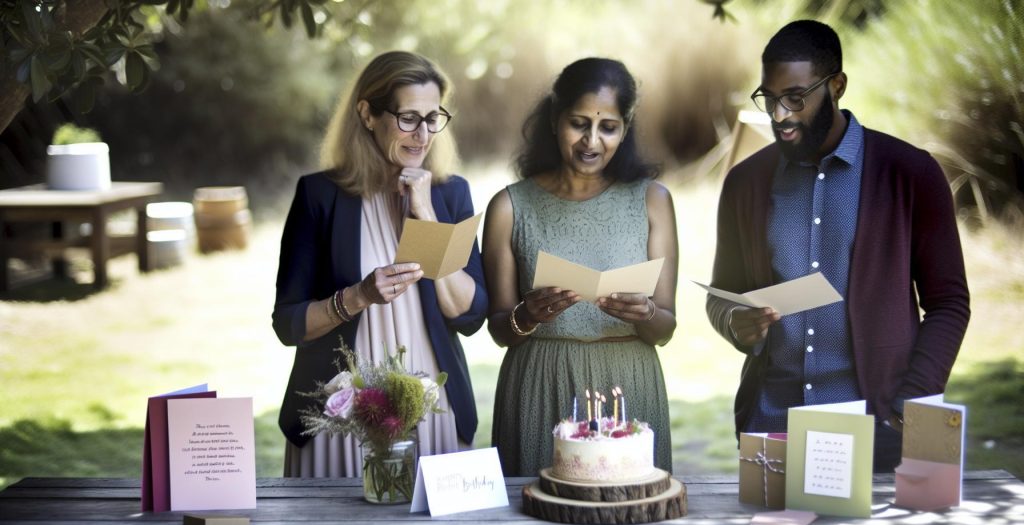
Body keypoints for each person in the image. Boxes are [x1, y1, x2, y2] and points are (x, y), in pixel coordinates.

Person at [707, 20, 970, 472]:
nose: (779, 115)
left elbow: (949, 303)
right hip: (771, 429)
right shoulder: (743, 183)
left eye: (795, 98)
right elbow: (721, 297)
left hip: (882, 429)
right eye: (769, 98)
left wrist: (912, 401)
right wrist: (736, 322)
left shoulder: (912, 174)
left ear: (837, 86)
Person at [272, 51, 488, 477]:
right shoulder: (319, 196)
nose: (423, 135)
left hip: (431, 404)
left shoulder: (450, 194)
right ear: (367, 114)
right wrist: (358, 296)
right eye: (408, 118)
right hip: (339, 412)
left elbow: (469, 314)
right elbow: (288, 323)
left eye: (432, 118)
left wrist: (427, 215)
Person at [483, 57, 679, 477]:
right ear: (556, 120)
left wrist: (645, 313)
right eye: (579, 124)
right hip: (539, 383)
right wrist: (527, 316)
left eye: (608, 127)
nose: (591, 141)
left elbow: (665, 328)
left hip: (629, 382)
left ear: (625, 128)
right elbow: (499, 328)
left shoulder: (652, 200)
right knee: (538, 508)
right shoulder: (509, 206)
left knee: (628, 506)